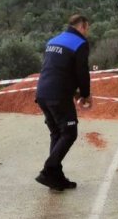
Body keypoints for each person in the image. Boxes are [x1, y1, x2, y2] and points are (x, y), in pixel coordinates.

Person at [34, 14, 93, 191]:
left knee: (57, 134)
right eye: (87, 28)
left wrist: (74, 92)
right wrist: (85, 95)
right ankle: (48, 170)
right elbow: (81, 72)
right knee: (69, 133)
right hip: (58, 96)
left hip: (42, 93)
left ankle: (56, 178)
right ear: (82, 26)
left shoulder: (53, 41)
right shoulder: (80, 43)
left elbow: (58, 70)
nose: (87, 32)